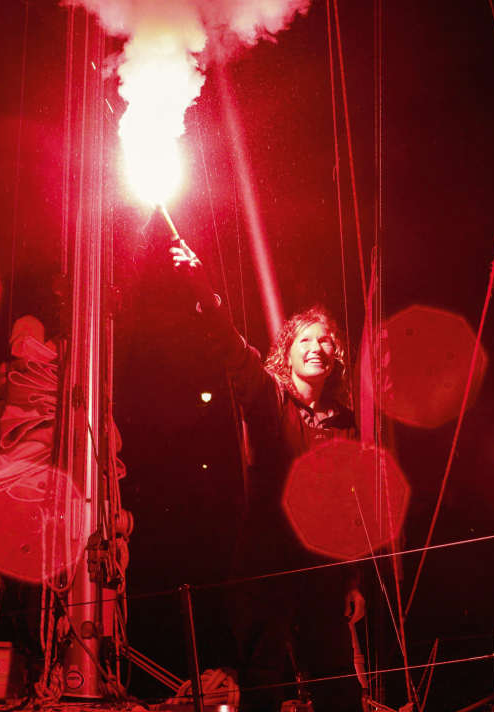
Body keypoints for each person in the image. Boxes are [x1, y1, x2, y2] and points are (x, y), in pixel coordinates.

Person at [171, 238, 361, 712]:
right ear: (289, 352)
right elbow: (233, 347)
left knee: (339, 686)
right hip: (267, 567)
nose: (317, 347)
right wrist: (204, 288)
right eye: (305, 340)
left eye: (325, 340)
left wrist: (353, 580)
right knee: (264, 684)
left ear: (334, 354)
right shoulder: (268, 397)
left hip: (322, 570)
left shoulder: (345, 423)